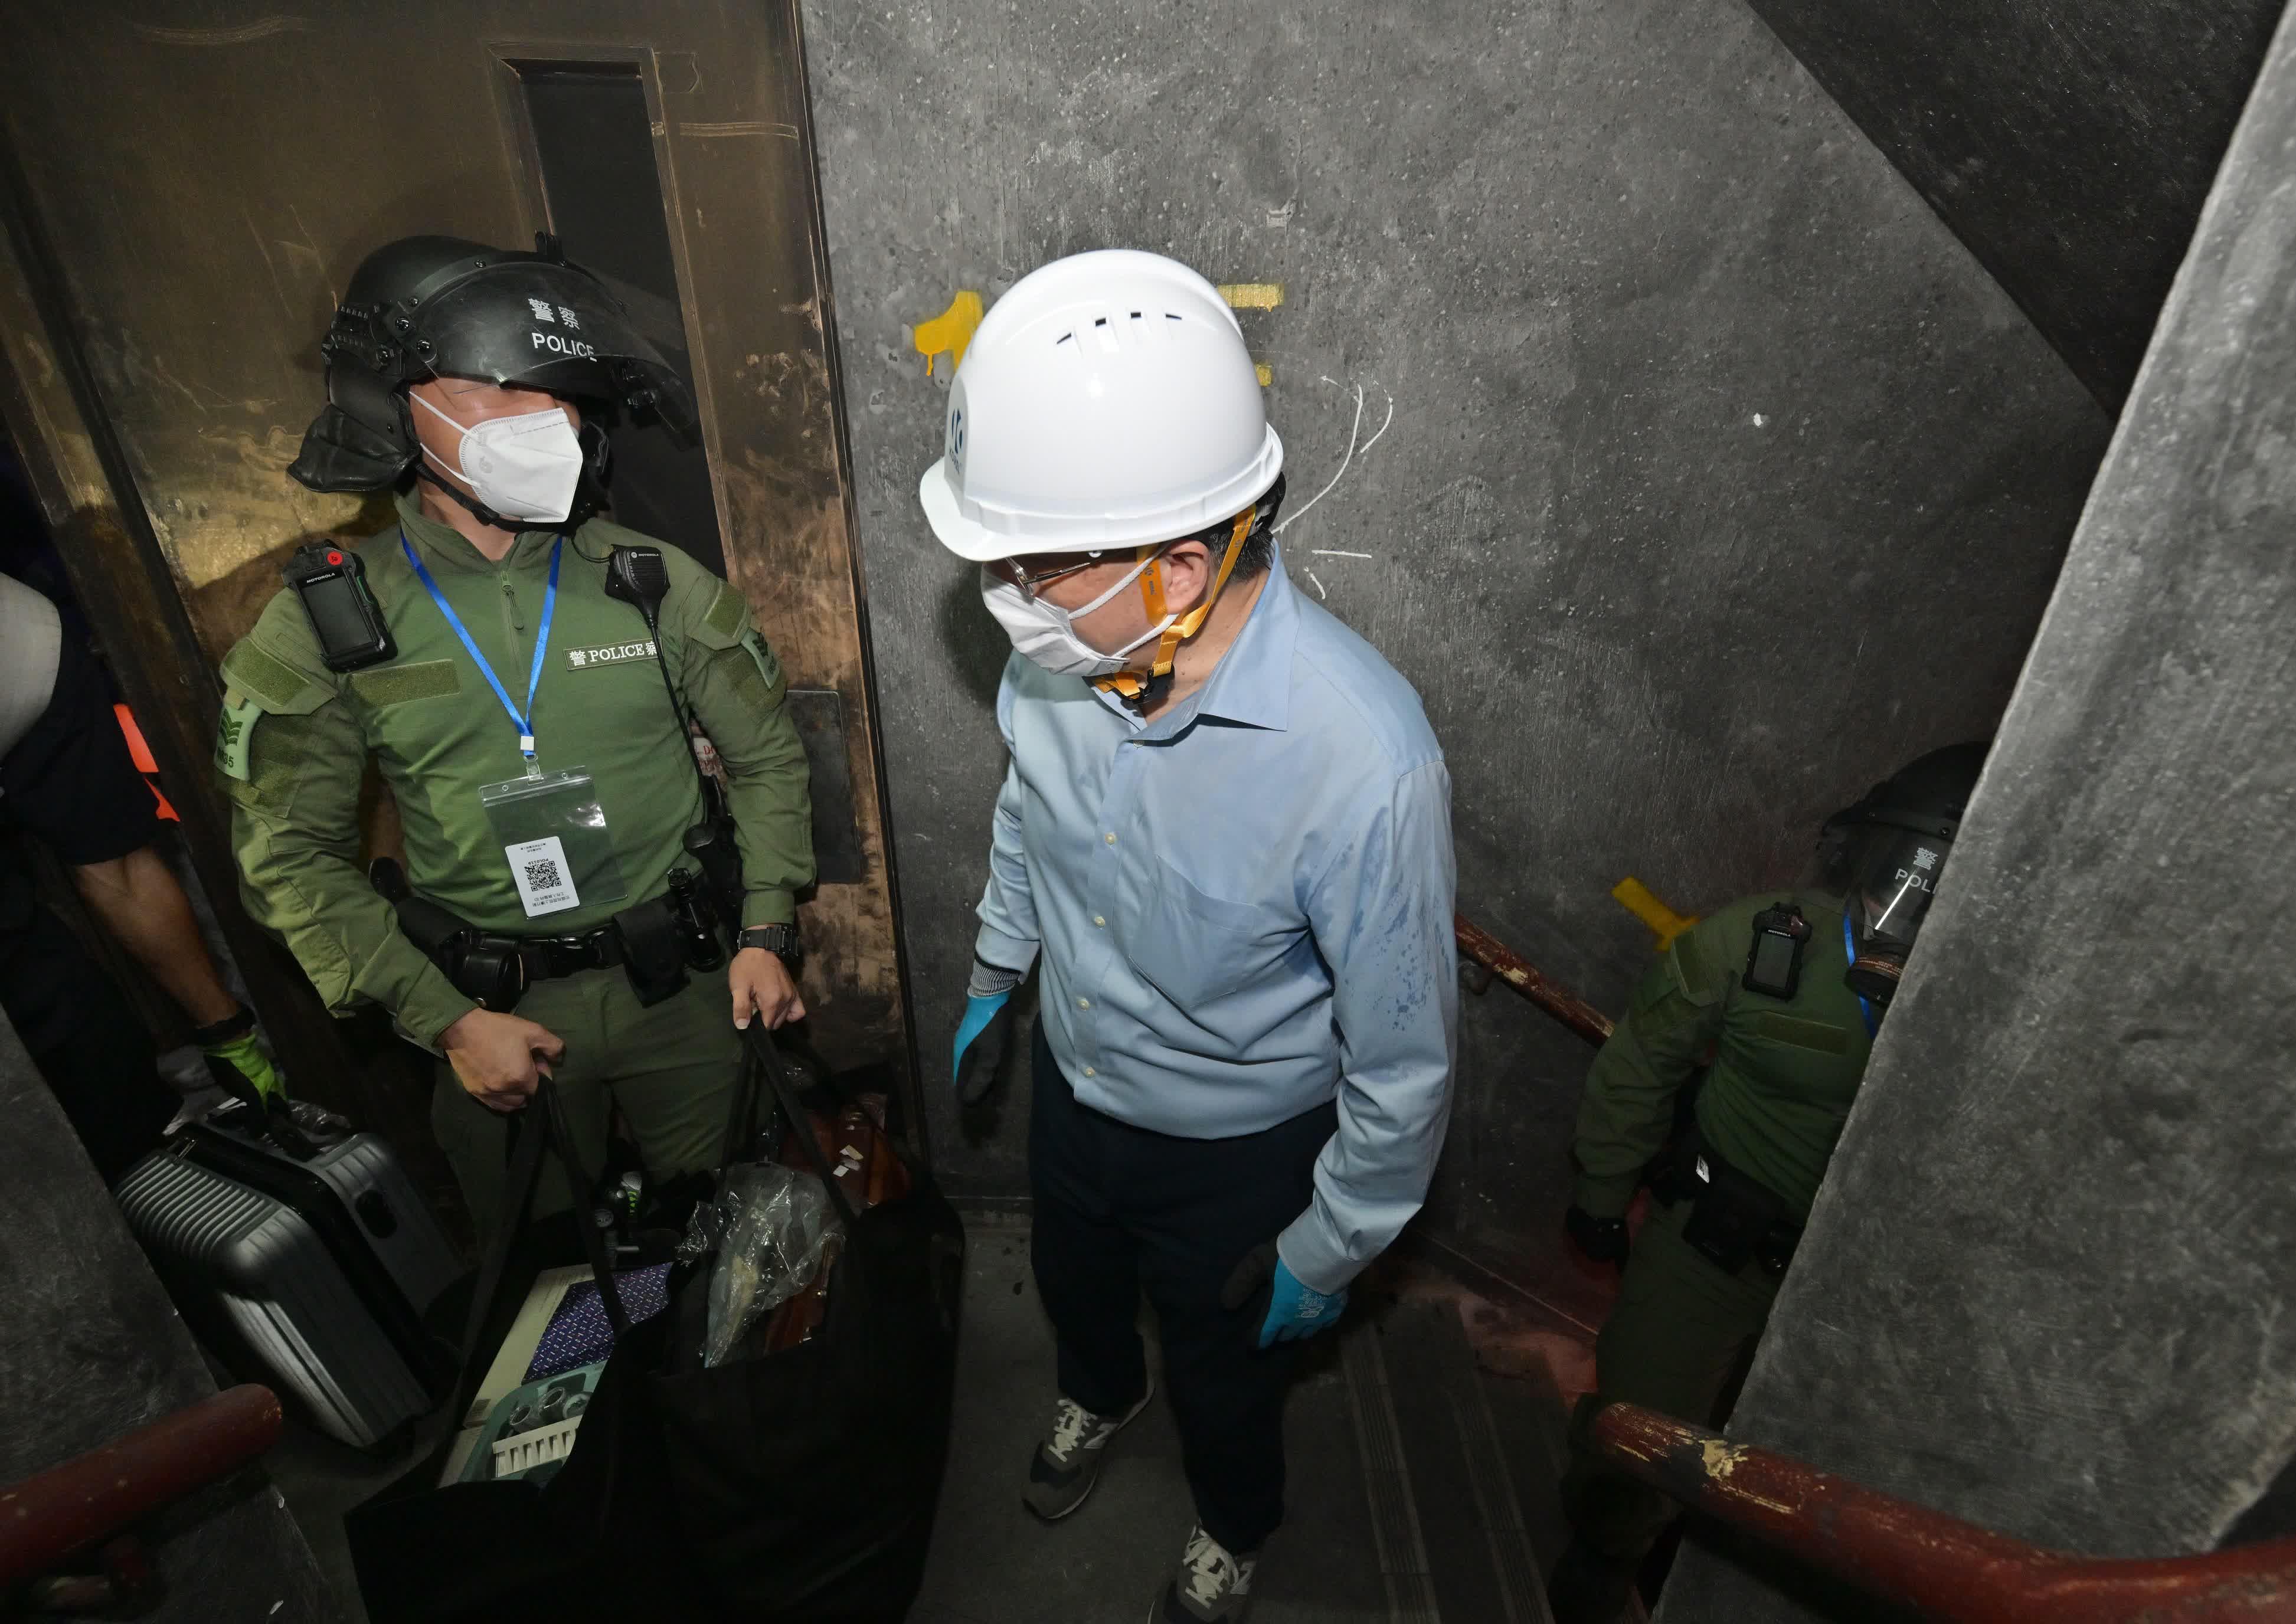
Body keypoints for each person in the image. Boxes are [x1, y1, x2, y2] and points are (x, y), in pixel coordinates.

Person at [927, 249, 1458, 1624]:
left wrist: (1330, 1242)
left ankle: (1234, 1521)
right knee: (1074, 1285)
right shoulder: (1062, 660)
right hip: (1076, 1091)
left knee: (1228, 1381)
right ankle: (1098, 1392)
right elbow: (1025, 823)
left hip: (1238, 1155)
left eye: (1036, 567)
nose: (1008, 598)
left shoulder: (1362, 762)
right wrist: (996, 971)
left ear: (1176, 570)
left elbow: (1402, 1063)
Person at [218, 233, 814, 1233]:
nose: (541, 421)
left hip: (688, 989)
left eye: (558, 395)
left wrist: (765, 927)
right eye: (494, 391)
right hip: (491, 1009)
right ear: (392, 404)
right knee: (547, 1260)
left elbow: (764, 759)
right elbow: (289, 856)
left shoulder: (650, 580)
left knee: (724, 1224)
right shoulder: (327, 622)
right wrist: (446, 1022)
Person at [1546, 742, 1989, 1622]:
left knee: (1817, 1483)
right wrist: (1602, 1191)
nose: (1912, 902)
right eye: (1902, 871)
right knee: (1640, 1431)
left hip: (1860, 1288)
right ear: (1864, 854)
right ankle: (1604, 1551)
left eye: (1945, 882)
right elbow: (1644, 1060)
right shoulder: (1758, 941)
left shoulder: (1999, 1005)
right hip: (1711, 1250)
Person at [1, 568, 294, 1178]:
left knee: (129, 1143)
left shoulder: (24, 640)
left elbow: (118, 866)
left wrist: (226, 1032)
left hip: (35, 994)